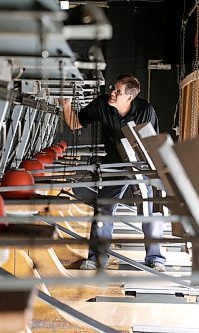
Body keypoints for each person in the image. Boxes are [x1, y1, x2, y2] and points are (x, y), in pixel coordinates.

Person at [59, 74, 166, 272]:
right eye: (113, 88)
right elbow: (75, 123)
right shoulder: (102, 104)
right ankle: (97, 258)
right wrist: (66, 105)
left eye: (118, 91)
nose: (113, 93)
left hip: (140, 164)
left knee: (149, 209)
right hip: (115, 163)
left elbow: (152, 144)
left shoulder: (145, 111)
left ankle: (156, 258)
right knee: (104, 208)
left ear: (130, 97)